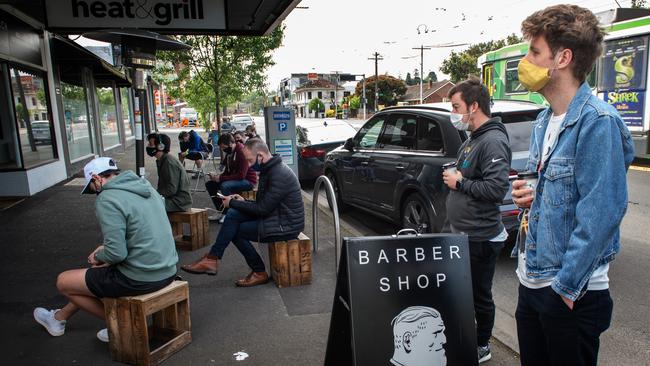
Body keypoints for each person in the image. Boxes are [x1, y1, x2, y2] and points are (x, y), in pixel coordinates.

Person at [511, 5, 635, 366]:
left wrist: (563, 291)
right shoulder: (543, 119)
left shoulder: (598, 123)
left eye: (534, 51)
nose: (526, 60)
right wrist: (533, 196)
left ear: (562, 58)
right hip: (530, 283)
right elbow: (565, 195)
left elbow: (602, 214)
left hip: (570, 293)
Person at [33, 158, 179, 343]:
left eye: (92, 188)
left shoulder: (107, 198)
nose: (94, 193)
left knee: (64, 281)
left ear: (96, 178)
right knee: (90, 277)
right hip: (167, 269)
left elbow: (117, 254)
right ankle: (58, 318)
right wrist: (106, 251)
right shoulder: (146, 187)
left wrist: (99, 255)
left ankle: (121, 324)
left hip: (140, 277)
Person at [442, 78, 511, 363]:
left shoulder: (493, 140)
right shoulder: (474, 137)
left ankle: (482, 345)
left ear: (474, 106)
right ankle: (466, 337)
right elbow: (469, 175)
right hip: (463, 233)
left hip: (481, 237)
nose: (454, 114)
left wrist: (460, 184)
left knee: (480, 295)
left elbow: (496, 190)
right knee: (463, 293)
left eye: (457, 107)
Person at [180, 138, 304, 287]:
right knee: (232, 215)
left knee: (235, 231)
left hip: (286, 226)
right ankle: (212, 259)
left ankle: (257, 270)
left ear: (261, 155)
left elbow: (263, 209)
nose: (250, 165)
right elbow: (264, 205)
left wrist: (233, 203)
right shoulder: (270, 169)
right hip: (275, 217)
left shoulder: (278, 174)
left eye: (251, 161)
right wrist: (242, 202)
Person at [205, 133, 257, 223]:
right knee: (210, 184)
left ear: (230, 143)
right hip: (238, 179)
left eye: (224, 147)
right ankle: (221, 210)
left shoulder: (241, 151)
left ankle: (229, 213)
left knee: (225, 186)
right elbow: (227, 171)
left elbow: (241, 175)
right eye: (221, 147)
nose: (223, 149)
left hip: (248, 181)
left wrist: (221, 178)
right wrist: (217, 176)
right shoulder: (231, 152)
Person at [147, 133, 192, 212]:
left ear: (160, 146)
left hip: (179, 202)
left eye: (150, 144)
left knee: (146, 206)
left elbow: (171, 189)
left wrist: (154, 194)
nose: (148, 146)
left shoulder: (168, 162)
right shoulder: (163, 159)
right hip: (173, 199)